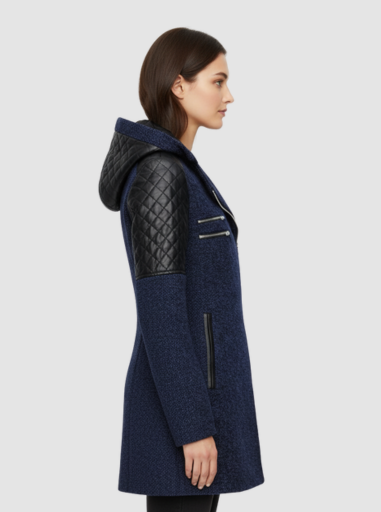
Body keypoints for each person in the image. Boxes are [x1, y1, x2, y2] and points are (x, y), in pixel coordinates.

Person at [98, 27, 265, 512]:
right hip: (183, 420)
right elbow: (161, 313)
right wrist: (193, 427)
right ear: (178, 86)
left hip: (199, 408)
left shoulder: (179, 170)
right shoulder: (160, 174)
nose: (229, 96)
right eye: (218, 81)